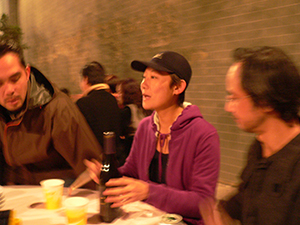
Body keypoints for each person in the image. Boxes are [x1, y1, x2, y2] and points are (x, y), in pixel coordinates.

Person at [86, 51, 220, 225]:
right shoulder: (145, 127)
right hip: (147, 218)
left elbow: (203, 203)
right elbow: (131, 173)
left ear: (177, 87)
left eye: (154, 78)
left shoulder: (203, 134)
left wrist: (149, 192)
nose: (143, 85)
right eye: (144, 77)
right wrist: (108, 175)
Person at [199, 46, 300, 225]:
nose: (228, 107)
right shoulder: (259, 148)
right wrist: (222, 212)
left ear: (265, 100)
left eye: (234, 98)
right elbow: (248, 199)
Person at [0, 40, 102, 186]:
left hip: (60, 196)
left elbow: (92, 171)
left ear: (27, 73)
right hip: (18, 197)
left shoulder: (57, 109)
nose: (9, 90)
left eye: (15, 79)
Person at [76, 61, 121, 148]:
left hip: (94, 157)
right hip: (114, 154)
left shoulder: (83, 103)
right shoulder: (112, 99)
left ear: (86, 79)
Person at [116, 78, 152, 162]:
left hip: (132, 151)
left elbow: (119, 131)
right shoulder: (146, 108)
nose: (118, 95)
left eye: (120, 92)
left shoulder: (128, 111)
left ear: (127, 94)